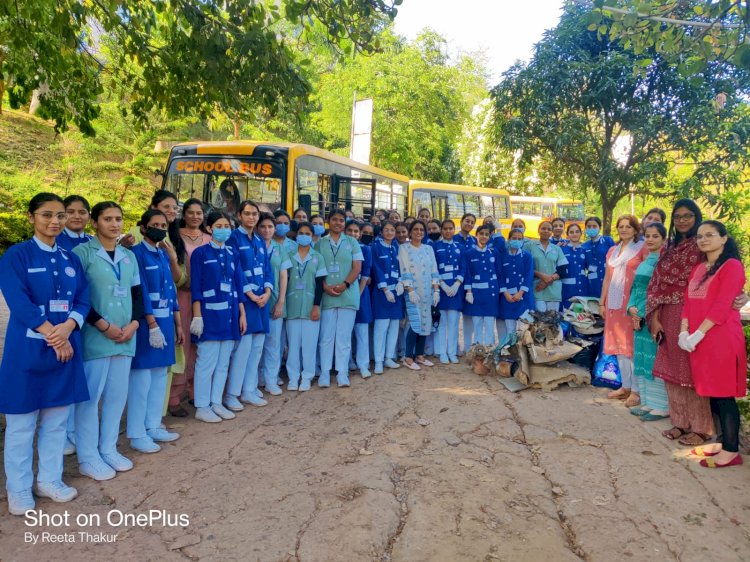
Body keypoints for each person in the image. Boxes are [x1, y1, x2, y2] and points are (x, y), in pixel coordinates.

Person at [0, 193, 90, 515]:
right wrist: (53, 333)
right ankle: (19, 488)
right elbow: (18, 301)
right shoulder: (17, 255)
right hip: (27, 352)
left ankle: (49, 480)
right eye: (47, 215)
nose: (55, 222)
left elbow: (83, 299)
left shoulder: (70, 258)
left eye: (60, 216)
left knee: (56, 422)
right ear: (31, 217)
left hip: (64, 350)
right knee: (21, 425)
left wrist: (68, 328)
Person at [73, 201, 142, 481]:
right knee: (91, 399)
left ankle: (109, 448)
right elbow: (77, 297)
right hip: (97, 335)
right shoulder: (82, 254)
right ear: (95, 223)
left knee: (116, 396)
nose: (114, 224)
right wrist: (103, 325)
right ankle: (88, 457)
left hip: (126, 335)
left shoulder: (128, 256)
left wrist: (134, 324)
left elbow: (137, 295)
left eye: (119, 219)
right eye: (108, 219)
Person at [680, 221, 746, 468]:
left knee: (725, 394)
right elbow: (688, 302)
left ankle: (731, 450)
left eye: (710, 235)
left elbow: (722, 305)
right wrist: (684, 332)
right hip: (699, 339)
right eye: (700, 236)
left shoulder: (732, 266)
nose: (703, 239)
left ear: (724, 238)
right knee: (711, 392)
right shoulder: (699, 269)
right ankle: (720, 441)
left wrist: (699, 333)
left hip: (721, 337)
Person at [127, 210, 183, 453]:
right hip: (147, 324)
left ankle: (153, 426)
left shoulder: (162, 253)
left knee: (160, 377)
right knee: (142, 380)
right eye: (155, 224)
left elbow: (171, 291)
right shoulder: (136, 254)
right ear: (143, 228)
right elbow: (140, 292)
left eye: (163, 224)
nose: (160, 228)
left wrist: (178, 323)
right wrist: (151, 324)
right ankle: (137, 432)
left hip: (166, 321)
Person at [190, 211, 247, 422]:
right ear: (209, 228)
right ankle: (202, 406)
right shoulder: (201, 253)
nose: (224, 229)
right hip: (209, 314)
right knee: (206, 362)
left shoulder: (232, 253)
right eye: (219, 226)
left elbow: (238, 285)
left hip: (230, 314)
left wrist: (242, 314)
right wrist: (197, 316)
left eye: (227, 226)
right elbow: (196, 285)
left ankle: (216, 402)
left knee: (223, 363)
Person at [224, 201, 273, 408]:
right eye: (247, 213)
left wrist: (268, 292)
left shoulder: (260, 240)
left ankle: (249, 389)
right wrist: (251, 295)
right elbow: (235, 270)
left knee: (257, 348)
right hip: (246, 300)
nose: (252, 217)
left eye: (255, 214)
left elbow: (267, 268)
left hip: (262, 301)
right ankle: (232, 394)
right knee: (243, 349)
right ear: (239, 215)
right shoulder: (234, 237)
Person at [56, 194, 92, 455]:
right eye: (71, 211)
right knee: (65, 375)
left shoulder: (92, 241)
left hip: (88, 314)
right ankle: (65, 432)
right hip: (65, 320)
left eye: (82, 211)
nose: (77, 216)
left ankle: (78, 429)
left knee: (84, 376)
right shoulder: (57, 241)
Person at [169, 198, 211, 418]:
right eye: (191, 213)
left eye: (199, 213)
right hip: (183, 296)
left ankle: (194, 389)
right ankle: (174, 396)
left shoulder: (210, 238)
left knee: (200, 344)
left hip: (206, 298)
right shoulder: (174, 237)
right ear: (183, 215)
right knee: (183, 342)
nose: (195, 217)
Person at [600, 215, 644, 407]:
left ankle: (636, 390)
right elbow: (607, 279)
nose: (624, 229)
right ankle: (625, 386)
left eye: (628, 226)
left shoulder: (642, 248)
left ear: (635, 229)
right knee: (618, 345)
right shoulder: (613, 251)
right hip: (614, 304)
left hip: (632, 304)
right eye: (621, 227)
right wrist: (602, 303)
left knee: (631, 347)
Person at [316, 209, 363, 387]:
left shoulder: (352, 242)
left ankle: (342, 373)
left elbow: (357, 268)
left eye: (341, 220)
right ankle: (325, 373)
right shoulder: (320, 244)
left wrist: (345, 284)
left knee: (343, 337)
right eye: (334, 220)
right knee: (326, 336)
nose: (338, 223)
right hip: (327, 295)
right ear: (328, 222)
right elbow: (316, 268)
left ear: (345, 223)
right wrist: (325, 287)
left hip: (347, 295)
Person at [627, 222, 669, 421]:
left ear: (664, 239)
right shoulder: (647, 260)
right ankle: (647, 402)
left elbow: (660, 292)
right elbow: (635, 288)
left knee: (653, 358)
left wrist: (644, 312)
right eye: (648, 236)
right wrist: (631, 308)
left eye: (655, 236)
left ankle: (661, 406)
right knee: (641, 358)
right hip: (638, 317)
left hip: (652, 317)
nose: (650, 239)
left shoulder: (664, 263)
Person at [284, 223, 327, 391]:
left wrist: (316, 306)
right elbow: (284, 280)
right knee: (293, 345)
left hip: (311, 305)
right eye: (301, 233)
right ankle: (293, 378)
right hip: (292, 304)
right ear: (296, 236)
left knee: (309, 345)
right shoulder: (288, 255)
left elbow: (319, 284)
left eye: (307, 233)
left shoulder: (318, 257)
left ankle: (307, 376)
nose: (304, 236)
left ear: (312, 235)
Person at [399, 220, 440, 370]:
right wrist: (410, 291)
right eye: (415, 229)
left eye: (421, 230)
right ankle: (408, 357)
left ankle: (420, 355)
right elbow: (404, 270)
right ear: (410, 232)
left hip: (428, 292)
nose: (418, 232)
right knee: (414, 323)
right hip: (413, 292)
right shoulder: (404, 248)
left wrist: (436, 290)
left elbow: (434, 270)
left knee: (425, 322)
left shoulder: (428, 249)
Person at [259, 213, 292, 393]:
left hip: (275, 301)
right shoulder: (254, 246)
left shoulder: (280, 249)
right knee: (257, 345)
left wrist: (280, 302)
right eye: (263, 227)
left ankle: (271, 379)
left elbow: (283, 276)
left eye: (270, 227)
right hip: (257, 301)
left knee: (273, 344)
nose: (267, 230)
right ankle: (256, 380)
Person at [371, 221, 404, 374]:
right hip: (382, 293)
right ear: (382, 232)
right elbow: (376, 269)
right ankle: (378, 360)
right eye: (387, 230)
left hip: (397, 293)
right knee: (381, 328)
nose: (390, 232)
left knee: (394, 327)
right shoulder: (376, 247)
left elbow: (402, 267)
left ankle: (388, 358)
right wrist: (385, 289)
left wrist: (401, 282)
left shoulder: (397, 247)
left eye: (392, 230)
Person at [463, 224, 501, 346]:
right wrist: (468, 291)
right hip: (476, 295)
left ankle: (489, 351)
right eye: (481, 234)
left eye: (487, 234)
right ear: (476, 235)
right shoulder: (469, 253)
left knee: (490, 325)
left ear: (490, 236)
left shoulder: (494, 252)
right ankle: (477, 353)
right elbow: (467, 273)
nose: (484, 236)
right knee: (477, 325)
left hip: (491, 294)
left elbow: (499, 272)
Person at [433, 220, 464, 364]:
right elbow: (433, 268)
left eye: (450, 228)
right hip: (441, 289)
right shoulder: (435, 246)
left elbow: (463, 267)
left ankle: (452, 352)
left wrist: (457, 284)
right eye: (445, 228)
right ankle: (442, 352)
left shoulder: (459, 246)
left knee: (454, 323)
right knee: (442, 324)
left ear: (454, 229)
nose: (448, 231)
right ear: (441, 230)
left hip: (455, 291)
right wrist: (442, 285)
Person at [347, 221, 373, 378]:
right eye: (350, 230)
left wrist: (358, 293)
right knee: (346, 332)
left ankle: (363, 364)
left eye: (356, 231)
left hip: (360, 294)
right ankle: (349, 361)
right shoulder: (340, 248)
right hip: (343, 293)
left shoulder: (366, 249)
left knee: (362, 331)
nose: (353, 233)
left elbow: (365, 273)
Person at [498, 228, 535, 333]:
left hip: (524, 298)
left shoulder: (527, 256)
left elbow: (528, 275)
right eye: (514, 238)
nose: (517, 240)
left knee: (526, 330)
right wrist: (506, 294)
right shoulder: (503, 256)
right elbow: (500, 276)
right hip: (507, 298)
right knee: (511, 331)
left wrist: (520, 293)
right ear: (509, 239)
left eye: (519, 239)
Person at [528, 221, 568, 312]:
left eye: (549, 229)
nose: (546, 231)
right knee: (540, 321)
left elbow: (563, 269)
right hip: (537, 288)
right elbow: (525, 267)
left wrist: (548, 280)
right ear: (538, 230)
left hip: (554, 290)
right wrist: (542, 276)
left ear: (552, 232)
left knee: (552, 321)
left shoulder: (557, 248)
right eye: (543, 228)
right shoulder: (529, 246)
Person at [454, 213, 478, 353]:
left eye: (472, 222)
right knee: (455, 318)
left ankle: (468, 347)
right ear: (461, 221)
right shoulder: (453, 239)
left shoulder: (474, 240)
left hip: (470, 283)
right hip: (456, 282)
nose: (469, 224)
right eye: (467, 221)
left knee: (468, 317)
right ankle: (456, 347)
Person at [582, 217, 615, 298]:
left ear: (599, 228)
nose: (591, 228)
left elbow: (616, 258)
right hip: (592, 283)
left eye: (594, 226)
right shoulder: (584, 246)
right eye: (589, 226)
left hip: (608, 279)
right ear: (585, 228)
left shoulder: (607, 241)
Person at [561, 223, 588, 306]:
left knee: (581, 315)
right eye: (571, 232)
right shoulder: (562, 249)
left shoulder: (585, 249)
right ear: (567, 234)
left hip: (582, 287)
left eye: (577, 231)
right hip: (567, 289)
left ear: (581, 233)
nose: (574, 234)